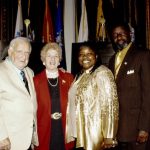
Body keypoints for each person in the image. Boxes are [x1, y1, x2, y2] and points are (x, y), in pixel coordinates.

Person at [66, 42, 119, 150]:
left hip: (95, 131)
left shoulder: (102, 73)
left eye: (89, 53)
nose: (85, 57)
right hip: (81, 130)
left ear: (96, 56)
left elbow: (110, 105)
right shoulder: (80, 75)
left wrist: (109, 135)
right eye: (81, 54)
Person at [109, 22, 150, 150]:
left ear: (130, 34)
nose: (118, 37)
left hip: (137, 127)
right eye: (115, 35)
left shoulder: (143, 55)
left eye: (121, 33)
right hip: (119, 128)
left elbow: (148, 93)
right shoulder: (112, 60)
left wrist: (144, 127)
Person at [34, 42, 75, 150]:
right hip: (44, 131)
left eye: (56, 56)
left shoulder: (69, 78)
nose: (52, 59)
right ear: (43, 60)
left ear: (59, 60)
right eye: (49, 56)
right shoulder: (35, 81)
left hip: (64, 131)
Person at [0, 37, 38, 150]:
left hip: (28, 140)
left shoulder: (30, 72)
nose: (24, 56)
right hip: (8, 142)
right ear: (10, 51)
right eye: (20, 51)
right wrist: (1, 136)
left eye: (27, 53)